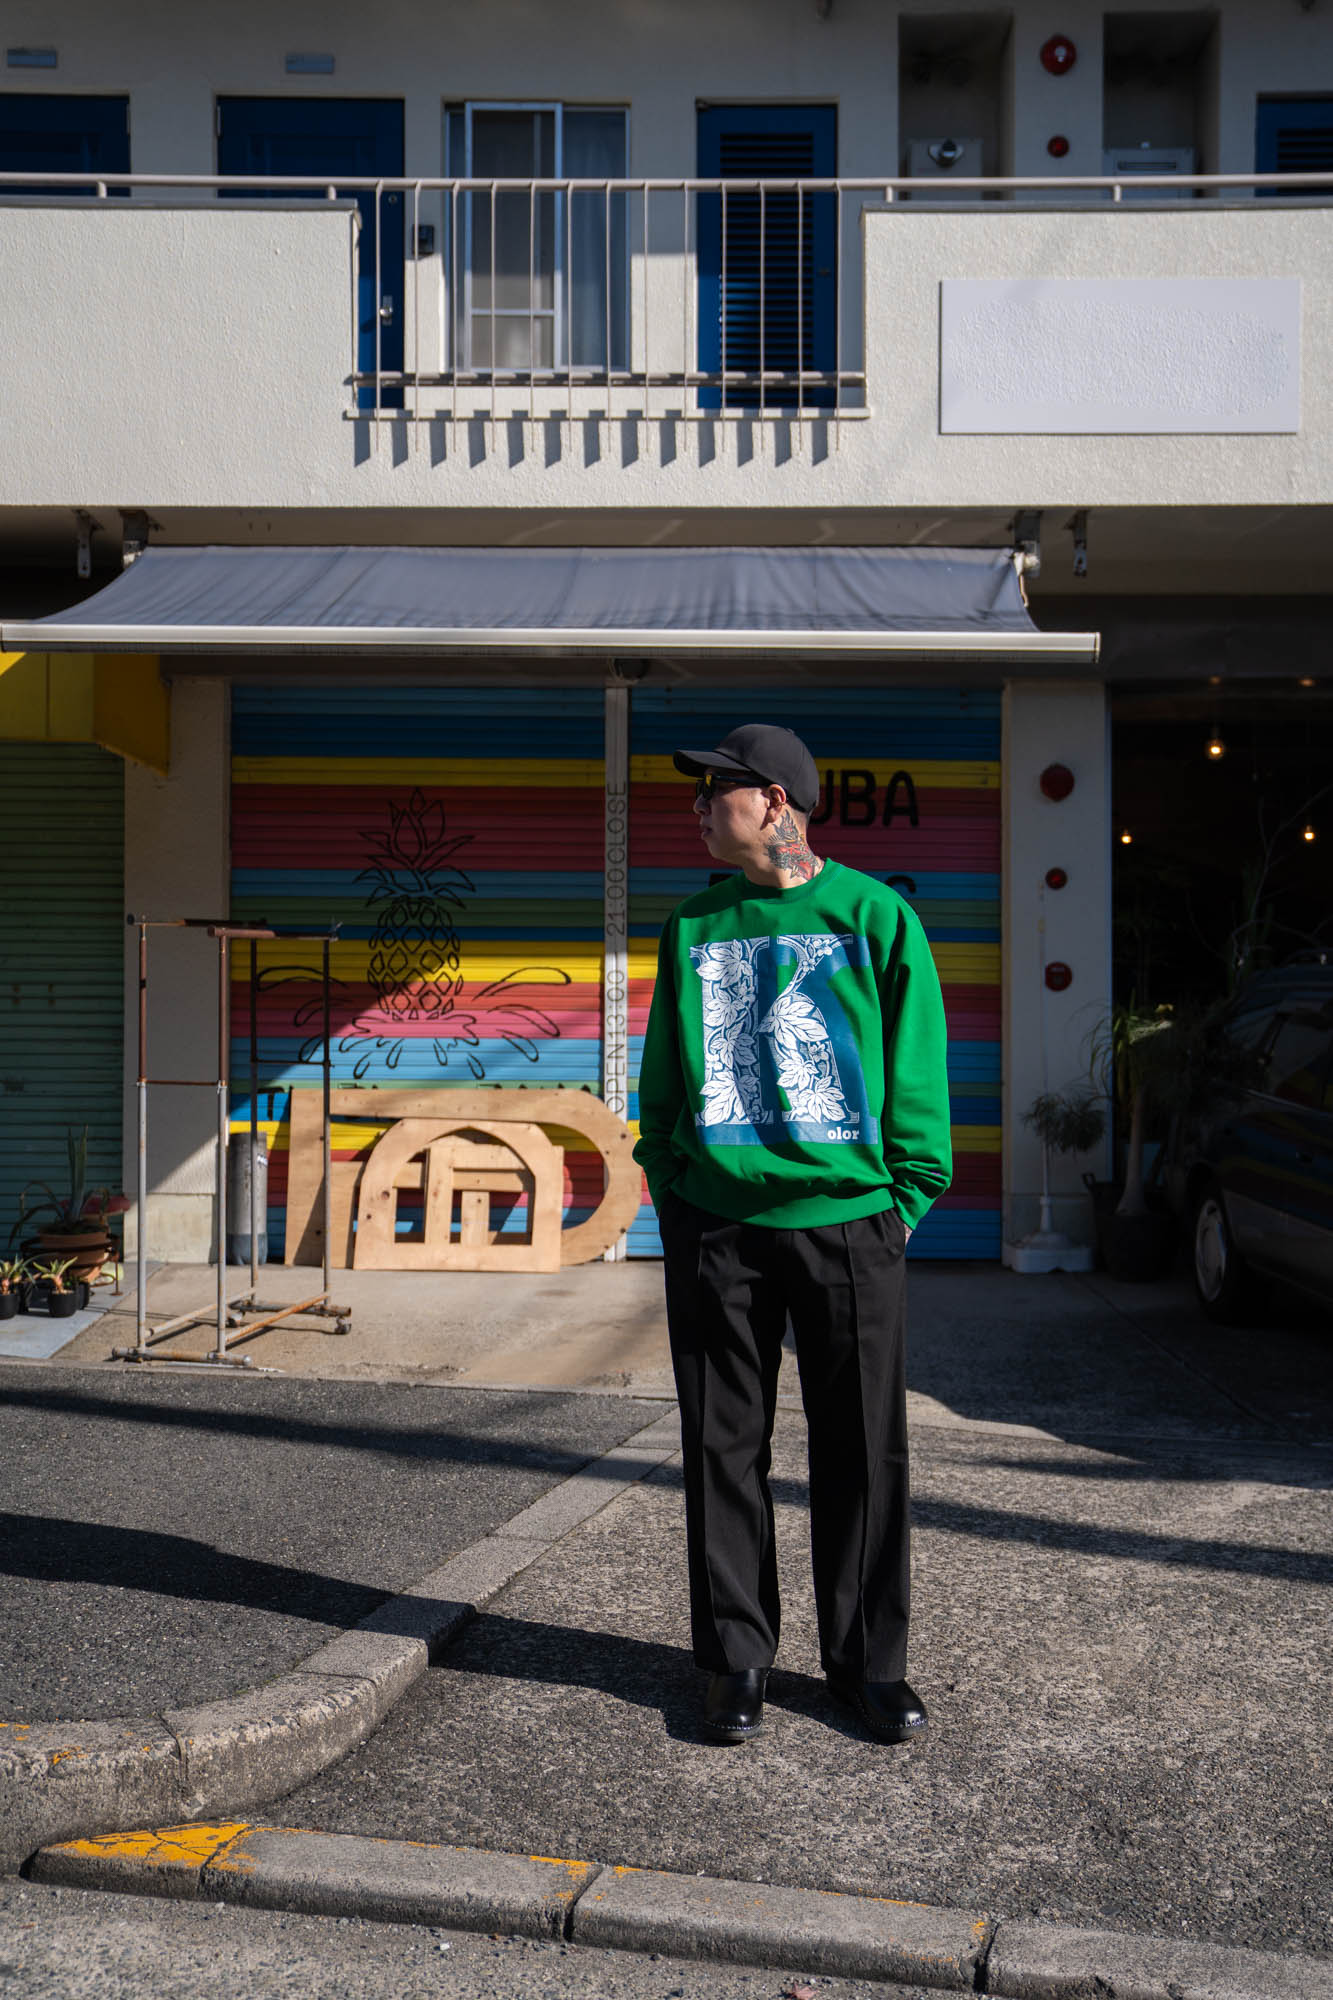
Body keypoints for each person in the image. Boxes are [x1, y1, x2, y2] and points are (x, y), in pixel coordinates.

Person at [633, 722, 952, 1746]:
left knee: (862, 1450)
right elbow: (663, 1076)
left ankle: (867, 1667)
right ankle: (736, 1660)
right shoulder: (694, 924)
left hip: (850, 1224)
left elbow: (916, 1067)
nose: (696, 807)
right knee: (720, 1446)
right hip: (718, 1226)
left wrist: (903, 1200)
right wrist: (673, 1188)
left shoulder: (874, 914)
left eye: (712, 790)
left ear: (774, 800)